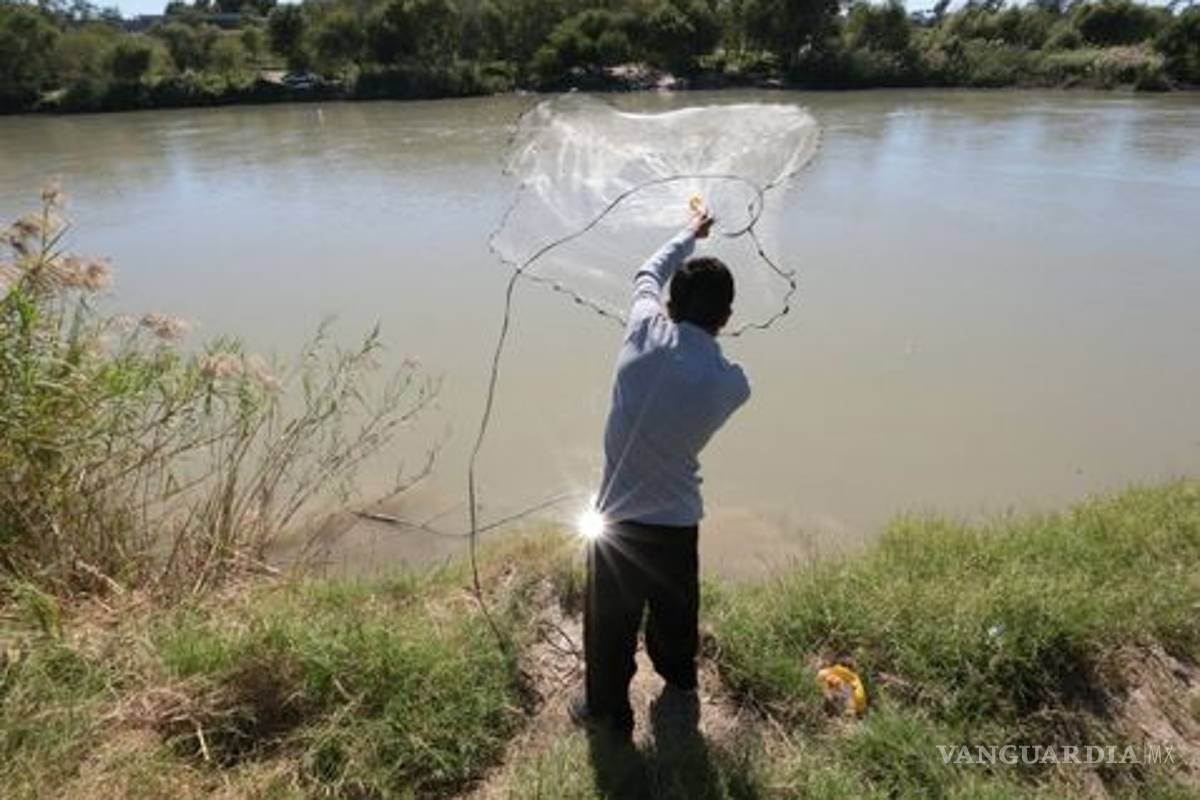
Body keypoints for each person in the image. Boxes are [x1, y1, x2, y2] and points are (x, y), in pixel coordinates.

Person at [571, 206, 752, 741]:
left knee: (608, 626)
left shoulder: (643, 329)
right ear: (725, 318)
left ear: (670, 305)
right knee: (675, 616)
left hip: (617, 524)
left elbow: (646, 272)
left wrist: (689, 235)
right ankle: (677, 688)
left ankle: (606, 709)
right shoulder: (732, 384)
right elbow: (723, 372)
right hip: (677, 523)